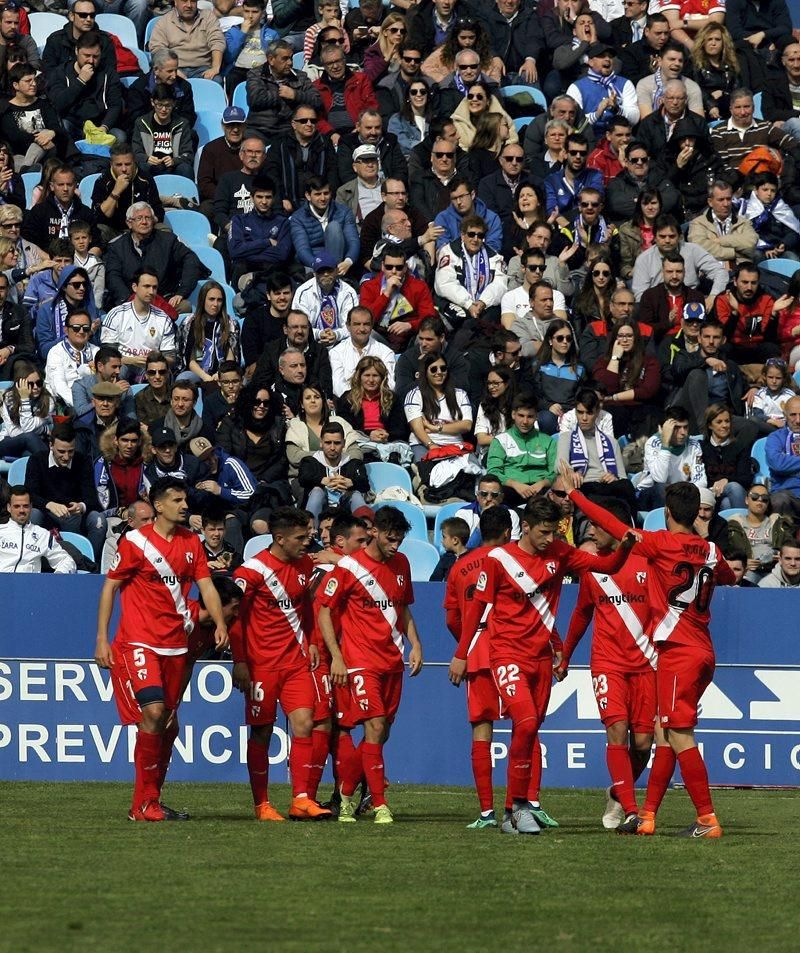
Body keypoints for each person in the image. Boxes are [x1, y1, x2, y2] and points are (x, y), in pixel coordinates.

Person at [564, 475, 735, 838]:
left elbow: (615, 527)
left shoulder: (660, 544)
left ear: (668, 513)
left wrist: (576, 495)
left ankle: (706, 818)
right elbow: (729, 576)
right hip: (703, 649)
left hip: (676, 650)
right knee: (664, 734)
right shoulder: (710, 550)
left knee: (679, 735)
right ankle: (648, 816)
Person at [455, 494, 635, 835]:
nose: (549, 539)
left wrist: (624, 546)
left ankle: (515, 808)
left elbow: (608, 567)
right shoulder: (498, 560)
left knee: (530, 729)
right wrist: (462, 654)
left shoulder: (560, 553)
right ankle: (515, 809)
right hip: (506, 654)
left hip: (540, 660)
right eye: (543, 532)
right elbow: (477, 608)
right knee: (523, 722)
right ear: (525, 527)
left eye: (554, 531)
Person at [95, 476, 228, 821]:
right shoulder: (135, 542)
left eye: (185, 500)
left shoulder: (191, 543)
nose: (185, 506)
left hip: (175, 644)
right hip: (138, 641)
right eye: (178, 500)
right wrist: (101, 639)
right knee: (153, 713)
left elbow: (206, 586)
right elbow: (110, 588)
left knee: (168, 725)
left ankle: (147, 801)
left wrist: (220, 622)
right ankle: (144, 804)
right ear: (159, 505)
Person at [317, 504, 424, 824]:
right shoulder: (349, 567)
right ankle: (379, 804)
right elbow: (324, 610)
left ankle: (347, 792)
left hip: (392, 661)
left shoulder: (401, 564)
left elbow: (402, 609)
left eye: (400, 540)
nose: (396, 545)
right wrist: (337, 656)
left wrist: (416, 643)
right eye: (391, 538)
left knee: (380, 733)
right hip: (360, 661)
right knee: (374, 727)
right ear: (374, 532)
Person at [556, 496, 655, 829]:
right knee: (617, 730)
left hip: (646, 662)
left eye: (597, 525)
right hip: (607, 661)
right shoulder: (592, 566)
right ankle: (629, 809)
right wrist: (566, 654)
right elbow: (583, 612)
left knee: (643, 744)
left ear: (615, 527)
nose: (592, 532)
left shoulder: (647, 560)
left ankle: (617, 791)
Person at [444, 507, 526, 827]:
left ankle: (487, 812)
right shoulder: (517, 560)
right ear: (507, 532)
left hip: (476, 653)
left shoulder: (461, 566)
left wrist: (466, 645)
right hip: (513, 650)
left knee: (481, 731)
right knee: (523, 725)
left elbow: (452, 617)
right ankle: (515, 808)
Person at [104, 203, 206, 314]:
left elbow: (191, 260)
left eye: (148, 218)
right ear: (129, 223)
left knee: (185, 306)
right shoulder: (117, 247)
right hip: (130, 301)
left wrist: (181, 293)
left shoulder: (168, 241)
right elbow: (113, 276)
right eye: (139, 218)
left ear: (153, 221)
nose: (144, 222)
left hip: (164, 301)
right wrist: (130, 301)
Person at [26, 420, 107, 560]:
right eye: (61, 452)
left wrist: (81, 506)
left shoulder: (83, 461)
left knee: (99, 520)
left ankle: (88, 562)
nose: (66, 457)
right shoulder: (37, 460)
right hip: (47, 515)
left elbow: (92, 497)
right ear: (51, 445)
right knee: (33, 514)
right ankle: (32, 560)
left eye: (71, 451)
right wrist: (49, 505)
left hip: (75, 516)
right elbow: (29, 494)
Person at [555, 388, 636, 513]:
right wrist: (571, 471)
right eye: (580, 412)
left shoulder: (611, 441)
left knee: (627, 486)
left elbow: (622, 477)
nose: (584, 418)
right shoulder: (567, 437)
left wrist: (613, 477)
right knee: (588, 491)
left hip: (607, 486)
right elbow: (559, 465)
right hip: (584, 485)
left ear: (598, 412)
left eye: (589, 413)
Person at [670, 317, 748, 435]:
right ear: (699, 338)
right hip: (689, 417)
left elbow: (743, 387)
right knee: (697, 375)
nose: (711, 341)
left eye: (716, 337)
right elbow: (678, 370)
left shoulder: (730, 366)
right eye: (706, 337)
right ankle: (704, 434)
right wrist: (706, 361)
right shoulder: (685, 357)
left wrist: (754, 389)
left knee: (750, 426)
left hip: (721, 418)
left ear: (723, 340)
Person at [45, 30, 124, 144]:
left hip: (100, 125)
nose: (91, 61)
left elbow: (115, 106)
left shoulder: (109, 74)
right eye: (87, 55)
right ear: (77, 51)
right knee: (63, 128)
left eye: (95, 56)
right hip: (73, 124)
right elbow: (57, 104)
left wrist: (103, 128)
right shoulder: (60, 72)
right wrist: (80, 81)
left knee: (120, 137)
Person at [631, 214, 727, 305]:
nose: (667, 240)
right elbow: (640, 296)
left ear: (680, 237)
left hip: (691, 301)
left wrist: (712, 296)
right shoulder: (644, 259)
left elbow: (720, 272)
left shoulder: (692, 250)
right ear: (655, 238)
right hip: (658, 304)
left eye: (672, 236)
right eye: (662, 236)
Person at [434, 214, 507, 332]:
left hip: (482, 305)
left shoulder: (493, 256)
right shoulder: (449, 252)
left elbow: (500, 285)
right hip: (455, 302)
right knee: (463, 319)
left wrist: (483, 302)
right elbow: (445, 284)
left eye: (480, 235)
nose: (475, 239)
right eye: (471, 234)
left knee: (491, 318)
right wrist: (468, 304)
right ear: (462, 235)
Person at [101, 269, 176, 382]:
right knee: (119, 371)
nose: (151, 291)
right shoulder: (117, 314)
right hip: (122, 365)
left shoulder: (163, 318)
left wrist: (153, 362)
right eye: (146, 286)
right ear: (135, 287)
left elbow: (170, 357)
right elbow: (106, 354)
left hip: (150, 369)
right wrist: (130, 360)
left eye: (154, 287)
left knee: (161, 373)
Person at [263, 104, 339, 214]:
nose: (309, 124)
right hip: (286, 205)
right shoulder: (280, 143)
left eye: (313, 121)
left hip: (320, 203)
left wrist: (326, 198)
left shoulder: (325, 143)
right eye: (304, 121)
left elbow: (332, 174)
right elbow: (272, 174)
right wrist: (280, 200)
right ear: (294, 124)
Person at [593, 320, 662, 439]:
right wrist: (615, 358)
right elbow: (605, 388)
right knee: (612, 412)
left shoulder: (649, 361)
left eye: (629, 336)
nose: (625, 340)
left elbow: (648, 390)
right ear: (614, 338)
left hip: (641, 409)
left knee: (650, 414)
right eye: (620, 336)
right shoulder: (602, 362)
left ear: (636, 338)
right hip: (614, 411)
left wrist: (614, 397)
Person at [360, 247, 437, 352]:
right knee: (364, 334)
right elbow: (364, 320)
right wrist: (386, 294)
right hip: (381, 336)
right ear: (382, 266)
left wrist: (410, 325)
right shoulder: (369, 286)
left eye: (399, 267)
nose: (394, 271)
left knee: (427, 337)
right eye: (389, 267)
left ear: (405, 267)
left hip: (410, 337)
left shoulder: (419, 286)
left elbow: (430, 319)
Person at [486, 393, 556, 507]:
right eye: (521, 415)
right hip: (510, 490)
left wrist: (542, 483)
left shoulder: (549, 441)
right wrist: (515, 485)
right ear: (513, 414)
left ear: (536, 416)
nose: (525, 421)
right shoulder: (500, 440)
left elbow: (554, 472)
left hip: (541, 490)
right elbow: (494, 472)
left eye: (530, 416)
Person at [246, 39, 323, 140]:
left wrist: (295, 95)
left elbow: (317, 101)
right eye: (285, 59)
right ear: (271, 60)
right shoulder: (256, 74)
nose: (290, 63)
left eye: (291, 58)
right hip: (259, 128)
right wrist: (280, 94)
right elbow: (255, 99)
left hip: (289, 129)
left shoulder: (300, 76)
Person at [336, 355, 409, 461]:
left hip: (388, 442)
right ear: (359, 376)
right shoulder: (347, 399)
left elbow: (401, 428)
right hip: (358, 441)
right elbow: (344, 427)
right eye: (367, 375)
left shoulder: (393, 399)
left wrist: (386, 436)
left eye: (375, 376)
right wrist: (369, 434)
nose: (371, 380)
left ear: (382, 378)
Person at [403, 351, 472, 462]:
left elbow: (466, 425)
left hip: (455, 444)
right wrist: (432, 445)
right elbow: (418, 428)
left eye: (443, 368)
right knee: (427, 471)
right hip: (424, 445)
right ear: (425, 372)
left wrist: (435, 428)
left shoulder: (460, 394)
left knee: (474, 470)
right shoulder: (415, 395)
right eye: (433, 369)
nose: (439, 372)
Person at [298, 421, 370, 525]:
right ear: (321, 442)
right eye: (328, 443)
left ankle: (365, 532)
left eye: (337, 443)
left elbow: (365, 484)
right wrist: (322, 480)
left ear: (344, 443)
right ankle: (311, 533)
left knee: (356, 495)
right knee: (317, 492)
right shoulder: (309, 461)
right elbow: (303, 479)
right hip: (321, 509)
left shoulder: (354, 463)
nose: (332, 448)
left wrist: (351, 483)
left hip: (345, 513)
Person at [22, 164, 101, 258]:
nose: (65, 189)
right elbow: (29, 243)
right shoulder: (39, 211)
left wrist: (85, 262)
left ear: (75, 185)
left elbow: (97, 243)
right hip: (46, 262)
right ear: (52, 186)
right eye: (60, 185)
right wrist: (51, 261)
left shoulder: (85, 212)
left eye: (69, 184)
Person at [712, 262, 783, 365]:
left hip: (758, 347)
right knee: (723, 348)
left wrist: (773, 315)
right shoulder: (723, 299)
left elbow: (769, 338)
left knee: (772, 349)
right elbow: (723, 335)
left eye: (753, 283)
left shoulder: (767, 299)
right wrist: (734, 313)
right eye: (744, 282)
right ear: (735, 282)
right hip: (734, 347)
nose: (749, 287)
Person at [637, 405, 707, 511]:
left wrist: (683, 493)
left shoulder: (694, 444)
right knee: (661, 488)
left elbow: (701, 481)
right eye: (677, 428)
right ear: (665, 429)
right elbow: (660, 478)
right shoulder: (653, 443)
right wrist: (665, 444)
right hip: (649, 494)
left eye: (685, 427)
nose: (683, 433)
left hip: (681, 496)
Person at [91, 144, 165, 242]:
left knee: (164, 231)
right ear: (111, 164)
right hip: (114, 230)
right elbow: (98, 218)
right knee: (97, 230)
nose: (124, 169)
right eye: (119, 165)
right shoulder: (103, 181)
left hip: (143, 229)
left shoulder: (145, 179)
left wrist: (143, 223)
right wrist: (116, 192)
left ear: (134, 162)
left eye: (128, 164)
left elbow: (158, 211)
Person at [252, 309, 333, 397]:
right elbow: (260, 382)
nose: (300, 331)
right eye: (295, 327)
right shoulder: (271, 350)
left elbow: (325, 385)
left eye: (304, 327)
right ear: (285, 329)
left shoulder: (320, 352)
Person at [289, 176, 360, 276]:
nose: (323, 198)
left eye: (326, 193)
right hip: (314, 264)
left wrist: (348, 261)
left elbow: (353, 240)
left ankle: (334, 277)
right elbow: (302, 249)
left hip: (341, 263)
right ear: (308, 196)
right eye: (317, 194)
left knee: (334, 227)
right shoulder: (298, 218)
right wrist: (318, 265)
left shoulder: (343, 212)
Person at [565, 42, 639, 134]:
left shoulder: (625, 84)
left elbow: (635, 118)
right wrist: (597, 114)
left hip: (618, 137)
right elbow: (574, 122)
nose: (607, 59)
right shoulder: (576, 87)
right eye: (602, 56)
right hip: (590, 139)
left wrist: (617, 109)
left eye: (610, 56)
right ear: (590, 62)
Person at [0, 485, 76, 574]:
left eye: (25, 506)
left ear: (31, 507)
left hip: (30, 585)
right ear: (9, 508)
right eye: (16, 506)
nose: (21, 510)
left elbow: (66, 561)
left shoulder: (43, 535)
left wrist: (58, 576)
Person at [727, 484, 793, 584]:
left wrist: (781, 554)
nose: (759, 501)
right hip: (748, 571)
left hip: (774, 570)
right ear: (746, 500)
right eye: (755, 497)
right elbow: (727, 552)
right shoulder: (735, 525)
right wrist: (744, 562)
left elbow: (790, 546)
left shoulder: (777, 523)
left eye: (765, 499)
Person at [149, 0, 226, 82]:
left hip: (203, 69)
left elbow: (217, 41)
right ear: (175, 2)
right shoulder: (164, 22)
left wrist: (215, 68)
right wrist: (173, 71)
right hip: (175, 68)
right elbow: (157, 49)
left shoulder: (208, 17)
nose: (189, 5)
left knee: (216, 80)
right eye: (184, 1)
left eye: (193, 1)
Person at [687, 180, 758, 268]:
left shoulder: (743, 222)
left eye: (728, 199)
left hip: (741, 273)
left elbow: (751, 244)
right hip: (710, 273)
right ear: (710, 202)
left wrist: (720, 240)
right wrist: (735, 253)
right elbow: (699, 249)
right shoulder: (698, 223)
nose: (726, 204)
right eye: (721, 200)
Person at [131, 83, 195, 181]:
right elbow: (136, 152)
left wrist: (174, 160)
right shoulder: (141, 123)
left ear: (174, 103)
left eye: (168, 105)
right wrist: (147, 158)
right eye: (160, 105)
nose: (164, 110)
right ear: (152, 102)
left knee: (186, 169)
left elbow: (188, 154)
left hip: (173, 167)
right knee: (142, 167)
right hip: (150, 166)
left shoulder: (182, 123)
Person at [292, 253, 359, 347]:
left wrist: (337, 335)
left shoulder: (348, 292)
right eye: (321, 271)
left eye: (329, 270)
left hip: (342, 343)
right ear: (314, 274)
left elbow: (353, 325)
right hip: (311, 342)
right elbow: (299, 325)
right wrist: (319, 334)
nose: (326, 274)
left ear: (336, 271)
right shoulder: (303, 292)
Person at [329, 306, 396, 398]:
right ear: (348, 326)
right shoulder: (336, 352)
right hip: (348, 404)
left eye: (366, 324)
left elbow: (390, 384)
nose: (362, 329)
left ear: (372, 326)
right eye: (357, 324)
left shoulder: (386, 352)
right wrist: (358, 399)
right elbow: (337, 386)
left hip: (377, 403)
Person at [126, 48, 197, 132]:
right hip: (147, 133)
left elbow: (188, 116)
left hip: (175, 132)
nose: (174, 75)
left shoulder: (184, 87)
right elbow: (135, 118)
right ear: (156, 70)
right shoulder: (138, 88)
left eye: (176, 70)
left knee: (192, 135)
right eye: (170, 71)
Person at [700, 403, 755, 512]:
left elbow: (746, 478)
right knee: (726, 503)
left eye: (727, 421)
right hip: (709, 493)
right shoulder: (701, 447)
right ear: (710, 425)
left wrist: (727, 480)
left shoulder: (740, 446)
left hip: (735, 492)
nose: (724, 425)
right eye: (719, 422)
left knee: (731, 492)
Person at [638, 253, 706, 341]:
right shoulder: (650, 296)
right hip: (658, 343)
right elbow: (645, 329)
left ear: (684, 272)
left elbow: (703, 326)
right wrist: (668, 323)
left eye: (679, 271)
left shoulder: (696, 296)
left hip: (689, 342)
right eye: (670, 272)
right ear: (662, 272)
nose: (674, 276)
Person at [43, 306, 98, 411]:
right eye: (76, 328)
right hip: (66, 404)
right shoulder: (56, 352)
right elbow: (59, 387)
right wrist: (83, 405)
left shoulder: (97, 351)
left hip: (95, 402)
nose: (81, 331)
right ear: (66, 330)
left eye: (86, 328)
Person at [197, 107, 247, 215]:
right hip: (221, 198)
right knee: (206, 208)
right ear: (223, 126)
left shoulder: (252, 147)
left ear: (244, 126)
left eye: (238, 125)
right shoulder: (211, 149)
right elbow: (204, 183)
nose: (235, 129)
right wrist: (226, 197)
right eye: (230, 125)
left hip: (248, 199)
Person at [635, 42, 704, 119]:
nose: (677, 63)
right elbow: (646, 121)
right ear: (660, 61)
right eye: (672, 59)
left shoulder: (691, 86)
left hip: (685, 129)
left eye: (680, 60)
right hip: (653, 129)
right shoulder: (645, 84)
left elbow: (698, 122)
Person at [454, 473, 522, 547]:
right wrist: (483, 520)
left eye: (494, 495)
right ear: (477, 496)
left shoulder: (511, 515)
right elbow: (463, 551)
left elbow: (512, 547)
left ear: (501, 497)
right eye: (484, 494)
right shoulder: (463, 514)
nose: (489, 499)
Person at [691, 23, 742, 121]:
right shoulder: (694, 64)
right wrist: (711, 103)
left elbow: (737, 90)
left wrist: (723, 93)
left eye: (717, 39)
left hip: (729, 111)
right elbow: (695, 88)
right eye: (709, 39)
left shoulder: (732, 64)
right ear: (703, 42)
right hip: (704, 112)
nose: (713, 43)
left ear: (723, 42)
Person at [72, 345, 135, 421]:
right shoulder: (81, 385)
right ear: (100, 366)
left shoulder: (123, 386)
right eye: (114, 367)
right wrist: (111, 392)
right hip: (90, 430)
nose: (118, 371)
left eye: (119, 367)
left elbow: (131, 416)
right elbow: (81, 413)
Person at [765, 395, 800, 519]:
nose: (798, 420)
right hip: (786, 494)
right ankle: (781, 538)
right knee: (779, 500)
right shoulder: (775, 437)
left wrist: (789, 461)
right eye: (793, 415)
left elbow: (783, 462)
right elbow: (777, 463)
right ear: (785, 415)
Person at [153, 380, 213, 451]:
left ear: (194, 403)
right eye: (176, 399)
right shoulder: (156, 427)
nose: (180, 404)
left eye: (185, 400)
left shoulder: (205, 431)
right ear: (171, 401)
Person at [135, 352, 172, 427]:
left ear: (168, 374)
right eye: (152, 372)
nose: (157, 376)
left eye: (162, 372)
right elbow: (143, 427)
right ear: (146, 375)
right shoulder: (139, 398)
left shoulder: (176, 395)